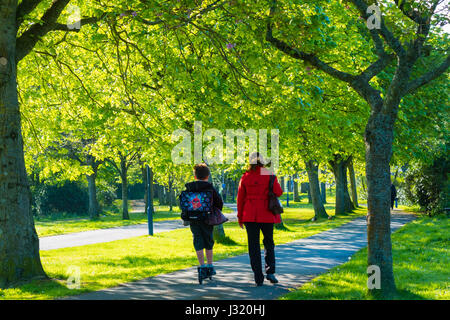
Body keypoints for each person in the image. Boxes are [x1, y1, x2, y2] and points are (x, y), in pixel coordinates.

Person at [237, 152, 283, 286]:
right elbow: (279, 192)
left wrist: (240, 217)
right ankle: (270, 271)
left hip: (250, 214)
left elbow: (240, 200)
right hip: (267, 214)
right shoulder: (269, 175)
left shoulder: (245, 177)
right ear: (263, 162)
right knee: (269, 243)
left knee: (253, 246)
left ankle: (258, 276)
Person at [184, 163, 223, 281]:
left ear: (195, 176)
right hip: (207, 218)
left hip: (193, 219)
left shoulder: (190, 187)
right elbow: (219, 202)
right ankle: (210, 266)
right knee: (208, 240)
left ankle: (202, 267)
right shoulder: (210, 188)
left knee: (198, 240)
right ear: (207, 176)